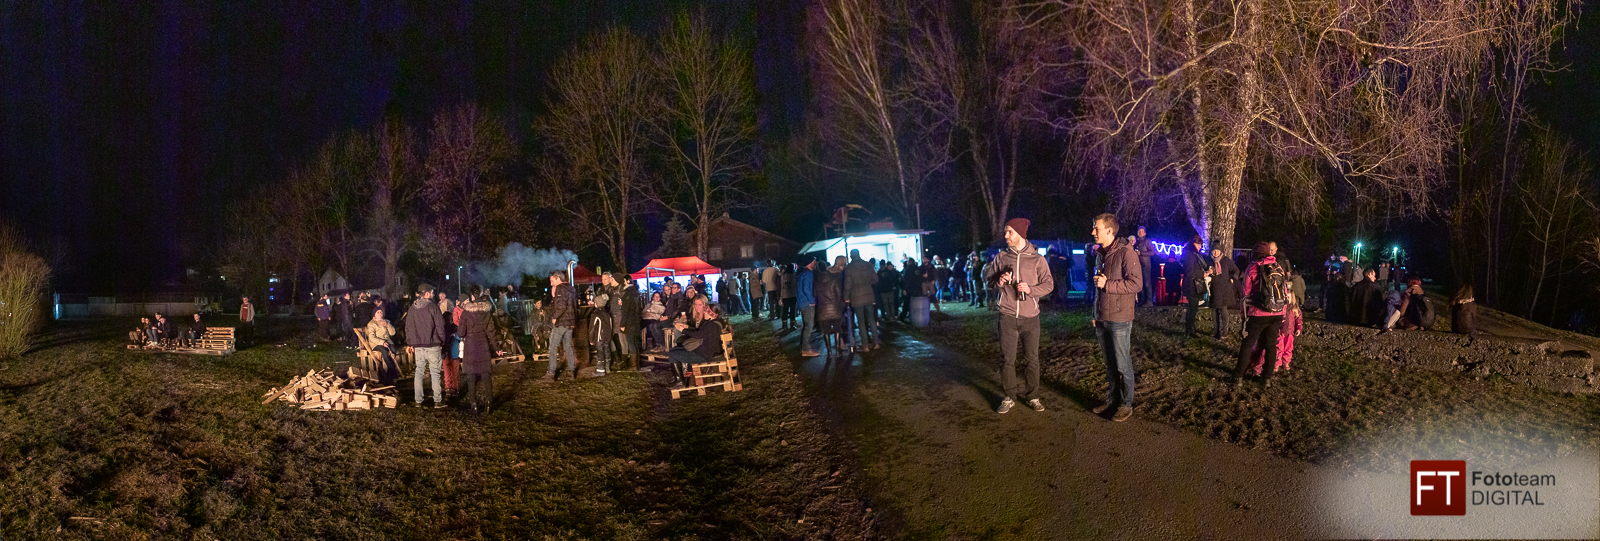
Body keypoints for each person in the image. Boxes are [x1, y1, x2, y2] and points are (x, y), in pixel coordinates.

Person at [987, 218, 1055, 414]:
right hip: (1007, 315)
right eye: (1006, 231)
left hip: (1030, 317)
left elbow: (1049, 285)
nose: (1006, 236)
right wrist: (999, 281)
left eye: (1010, 232)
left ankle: (1033, 396)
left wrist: (1031, 290)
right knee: (1007, 359)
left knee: (1032, 359)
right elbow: (989, 281)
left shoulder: (1038, 259)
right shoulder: (1001, 257)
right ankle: (1009, 396)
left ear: (1020, 234)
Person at [1231, 242, 1289, 386]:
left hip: (1258, 313)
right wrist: (1282, 313)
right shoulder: (1278, 267)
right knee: (1271, 346)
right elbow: (1284, 291)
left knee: (1248, 344)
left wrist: (1244, 314)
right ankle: (1266, 379)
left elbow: (1246, 293)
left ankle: (1238, 377)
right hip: (1276, 313)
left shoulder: (1253, 267)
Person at [667, 295, 725, 389]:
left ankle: (679, 381)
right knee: (674, 350)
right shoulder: (712, 323)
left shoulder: (711, 325)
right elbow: (700, 332)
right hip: (702, 352)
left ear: (710, 313)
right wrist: (687, 328)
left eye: (706, 311)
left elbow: (698, 335)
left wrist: (683, 330)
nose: (704, 312)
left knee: (672, 354)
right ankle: (678, 378)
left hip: (702, 355)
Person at [404, 284, 447, 408]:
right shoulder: (433, 307)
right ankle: (437, 400)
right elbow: (440, 326)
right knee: (435, 373)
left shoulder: (412, 309)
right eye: (432, 292)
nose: (433, 294)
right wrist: (442, 341)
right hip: (433, 344)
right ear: (427, 293)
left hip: (418, 346)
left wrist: (410, 343)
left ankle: (418, 400)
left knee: (419, 372)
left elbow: (408, 328)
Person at [458, 290, 494, 414]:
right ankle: (489, 402)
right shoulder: (486, 312)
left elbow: (461, 333)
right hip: (483, 345)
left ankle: (473, 404)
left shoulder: (466, 313)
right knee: (486, 375)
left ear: (472, 296)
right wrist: (497, 348)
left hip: (470, 347)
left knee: (471, 377)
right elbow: (491, 331)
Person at [544, 271, 579, 381]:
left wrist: (555, 317)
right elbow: (574, 306)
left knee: (553, 347)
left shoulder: (560, 289)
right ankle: (571, 370)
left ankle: (551, 372)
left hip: (561, 322)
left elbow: (562, 306)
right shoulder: (571, 289)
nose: (551, 283)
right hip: (570, 322)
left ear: (558, 278)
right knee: (568, 346)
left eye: (552, 281)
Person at [844, 249, 881, 351]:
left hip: (856, 297)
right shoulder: (868, 265)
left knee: (861, 321)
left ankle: (865, 345)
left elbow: (848, 285)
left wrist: (846, 297)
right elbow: (875, 279)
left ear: (851, 256)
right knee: (871, 319)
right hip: (869, 295)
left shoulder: (849, 268)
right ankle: (876, 342)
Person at [814, 255, 847, 359]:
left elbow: (814, 294)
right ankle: (837, 350)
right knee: (837, 329)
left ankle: (829, 352)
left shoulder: (816, 281)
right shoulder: (835, 279)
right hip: (835, 308)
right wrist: (842, 306)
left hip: (822, 309)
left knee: (826, 331)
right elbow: (839, 294)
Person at [1207, 246, 1241, 339]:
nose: (1215, 253)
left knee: (1223, 309)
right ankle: (1216, 330)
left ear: (1221, 252)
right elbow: (1205, 270)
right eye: (1214, 251)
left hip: (1224, 288)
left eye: (1217, 251)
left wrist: (1233, 278)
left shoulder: (1226, 260)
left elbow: (1236, 270)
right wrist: (1207, 272)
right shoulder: (1209, 261)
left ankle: (1225, 331)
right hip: (1214, 288)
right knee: (1214, 310)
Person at [1181, 236, 1209, 337]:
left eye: (1200, 244)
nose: (1199, 246)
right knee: (1192, 309)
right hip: (1191, 285)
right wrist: (1203, 274)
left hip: (1195, 284)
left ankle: (1190, 329)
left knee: (1193, 308)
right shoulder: (1189, 254)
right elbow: (1189, 271)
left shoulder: (1196, 254)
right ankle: (1189, 330)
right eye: (1197, 244)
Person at [365, 307, 399, 386]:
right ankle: (392, 368)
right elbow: (371, 337)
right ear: (374, 314)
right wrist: (382, 342)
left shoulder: (386, 321)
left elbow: (392, 333)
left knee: (393, 349)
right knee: (384, 351)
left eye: (381, 312)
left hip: (387, 341)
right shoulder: (372, 324)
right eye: (378, 312)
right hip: (376, 343)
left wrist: (388, 325)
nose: (380, 314)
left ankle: (389, 375)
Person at [796, 256, 821, 356]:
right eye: (814, 261)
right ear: (810, 262)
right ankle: (806, 349)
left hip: (802, 302)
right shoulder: (808, 274)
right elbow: (806, 289)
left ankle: (803, 346)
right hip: (807, 303)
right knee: (809, 326)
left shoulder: (802, 273)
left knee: (806, 325)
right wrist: (812, 300)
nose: (816, 262)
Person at [1133, 226, 1155, 307]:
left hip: (1145, 265)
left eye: (1142, 231)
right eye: (1139, 231)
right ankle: (1141, 300)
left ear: (1145, 233)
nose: (1140, 232)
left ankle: (1149, 301)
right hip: (1137, 265)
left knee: (1147, 283)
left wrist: (1141, 253)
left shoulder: (1147, 241)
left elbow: (1152, 252)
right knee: (1140, 283)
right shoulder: (1136, 242)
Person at [898, 257, 920, 321]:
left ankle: (903, 316)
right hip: (916, 289)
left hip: (909, 289)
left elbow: (906, 280)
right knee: (914, 303)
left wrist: (904, 289)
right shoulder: (917, 269)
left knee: (906, 303)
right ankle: (912, 315)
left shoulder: (908, 269)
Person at [780, 264, 798, 330]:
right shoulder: (794, 275)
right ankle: (792, 325)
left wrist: (781, 297)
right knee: (793, 310)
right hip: (793, 295)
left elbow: (781, 286)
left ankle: (784, 325)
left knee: (785, 310)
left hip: (785, 295)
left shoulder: (783, 276)